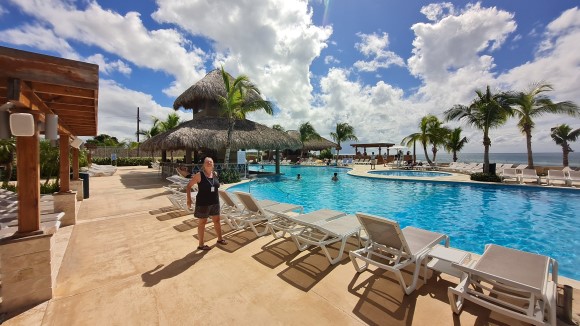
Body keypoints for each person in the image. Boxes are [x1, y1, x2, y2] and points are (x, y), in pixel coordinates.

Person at [186, 157, 227, 251]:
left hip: (215, 202)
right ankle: (201, 245)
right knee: (202, 222)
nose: (209, 163)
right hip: (203, 203)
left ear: (213, 164)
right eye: (207, 162)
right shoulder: (199, 175)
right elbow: (188, 186)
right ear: (204, 165)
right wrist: (188, 199)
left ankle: (220, 239)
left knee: (217, 220)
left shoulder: (215, 174)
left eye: (211, 162)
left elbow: (215, 186)